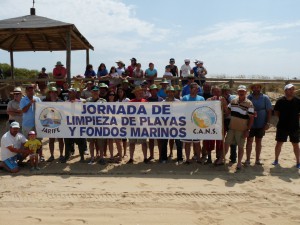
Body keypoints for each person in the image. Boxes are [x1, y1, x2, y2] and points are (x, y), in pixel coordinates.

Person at [218, 85, 254, 170]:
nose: (241, 92)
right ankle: (221, 159)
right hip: (232, 128)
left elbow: (251, 118)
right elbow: (227, 112)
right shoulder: (233, 101)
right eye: (240, 91)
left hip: (242, 129)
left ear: (246, 92)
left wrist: (248, 130)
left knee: (240, 147)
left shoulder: (249, 103)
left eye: (243, 91)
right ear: (237, 92)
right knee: (226, 144)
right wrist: (224, 104)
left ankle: (239, 163)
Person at [272, 84, 300, 169]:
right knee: (279, 143)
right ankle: (276, 160)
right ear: (285, 91)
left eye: (293, 89)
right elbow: (276, 112)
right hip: (282, 126)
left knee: (295, 144)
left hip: (294, 126)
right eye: (289, 89)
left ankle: (298, 162)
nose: (291, 91)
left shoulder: (298, 101)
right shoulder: (280, 101)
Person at [245, 83, 272, 165]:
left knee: (258, 141)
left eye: (258, 87)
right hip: (251, 123)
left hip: (261, 122)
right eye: (254, 87)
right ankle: (248, 159)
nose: (256, 89)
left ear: (260, 88)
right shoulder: (249, 97)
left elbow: (269, 111)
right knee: (249, 141)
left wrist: (267, 123)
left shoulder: (265, 98)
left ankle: (257, 159)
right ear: (252, 89)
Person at [202, 86, 228, 164]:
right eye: (215, 91)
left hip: (220, 123)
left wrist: (224, 105)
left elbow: (226, 112)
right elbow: (205, 110)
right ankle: (209, 157)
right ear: (212, 92)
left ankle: (218, 157)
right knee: (209, 140)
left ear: (220, 92)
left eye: (218, 91)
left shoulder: (223, 100)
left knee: (220, 141)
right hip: (210, 123)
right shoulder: (209, 100)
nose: (217, 93)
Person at [181, 82, 205, 164]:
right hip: (187, 123)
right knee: (187, 143)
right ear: (190, 89)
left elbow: (204, 110)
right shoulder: (184, 98)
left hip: (197, 123)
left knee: (197, 143)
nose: (196, 90)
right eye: (194, 88)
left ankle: (198, 158)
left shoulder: (201, 98)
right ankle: (187, 159)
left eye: (197, 88)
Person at [61, 88, 86, 163]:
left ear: (75, 93)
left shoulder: (80, 102)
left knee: (80, 142)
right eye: (69, 92)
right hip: (68, 125)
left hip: (78, 125)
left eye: (71, 92)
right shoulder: (65, 102)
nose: (70, 94)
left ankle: (82, 157)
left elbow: (83, 113)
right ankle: (66, 157)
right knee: (67, 142)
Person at [19, 84, 43, 161]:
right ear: (26, 92)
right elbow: (23, 110)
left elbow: (42, 110)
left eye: (32, 90)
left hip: (37, 124)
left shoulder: (38, 99)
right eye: (29, 90)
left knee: (38, 141)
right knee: (28, 142)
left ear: (33, 91)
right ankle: (30, 157)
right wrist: (30, 103)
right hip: (27, 125)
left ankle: (40, 156)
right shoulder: (23, 100)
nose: (30, 92)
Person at [85, 86, 107, 164]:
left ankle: (101, 157)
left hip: (100, 124)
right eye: (93, 91)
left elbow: (106, 111)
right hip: (90, 124)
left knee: (100, 142)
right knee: (91, 142)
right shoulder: (87, 101)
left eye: (96, 91)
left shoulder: (103, 101)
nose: (95, 92)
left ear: (98, 92)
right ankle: (92, 157)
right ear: (91, 92)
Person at [127, 86, 148, 164]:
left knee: (144, 142)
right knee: (131, 143)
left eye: (141, 92)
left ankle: (145, 158)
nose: (140, 93)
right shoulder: (130, 102)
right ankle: (131, 158)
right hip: (133, 125)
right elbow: (127, 113)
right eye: (138, 92)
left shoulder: (145, 101)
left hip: (142, 126)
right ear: (135, 93)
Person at [161, 86, 183, 164]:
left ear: (174, 93)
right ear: (167, 93)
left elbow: (182, 112)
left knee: (178, 142)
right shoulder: (163, 102)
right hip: (166, 125)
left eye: (172, 92)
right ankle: (164, 158)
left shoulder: (178, 102)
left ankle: (180, 158)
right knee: (164, 142)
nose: (170, 93)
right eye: (169, 92)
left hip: (176, 125)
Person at [45, 87, 65, 162]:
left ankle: (61, 155)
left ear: (57, 93)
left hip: (59, 123)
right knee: (51, 140)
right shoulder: (45, 102)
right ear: (49, 93)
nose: (53, 94)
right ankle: (52, 155)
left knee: (60, 140)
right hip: (50, 124)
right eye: (51, 92)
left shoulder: (61, 101)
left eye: (54, 92)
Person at [147, 84, 163, 161]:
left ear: (157, 91)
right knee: (151, 140)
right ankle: (151, 155)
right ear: (150, 91)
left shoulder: (161, 100)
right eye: (152, 90)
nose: (153, 91)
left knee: (159, 140)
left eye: (155, 90)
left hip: (159, 122)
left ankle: (160, 156)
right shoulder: (147, 100)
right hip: (150, 122)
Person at [221, 84, 237, 163]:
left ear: (229, 91)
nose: (225, 92)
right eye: (223, 90)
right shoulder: (220, 98)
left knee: (233, 139)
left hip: (231, 119)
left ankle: (233, 157)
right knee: (222, 138)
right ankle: (220, 156)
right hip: (223, 120)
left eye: (226, 90)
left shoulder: (233, 97)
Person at [107, 90, 123, 163]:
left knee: (118, 141)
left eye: (113, 94)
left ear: (114, 96)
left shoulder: (117, 103)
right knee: (110, 141)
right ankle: (111, 156)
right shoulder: (105, 104)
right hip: (108, 124)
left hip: (116, 124)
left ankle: (120, 156)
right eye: (110, 94)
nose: (111, 96)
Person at [116, 87, 130, 157]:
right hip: (118, 122)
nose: (120, 93)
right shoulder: (116, 101)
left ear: (123, 92)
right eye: (118, 92)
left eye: (121, 92)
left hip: (125, 121)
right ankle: (119, 152)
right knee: (118, 139)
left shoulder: (127, 100)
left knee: (124, 138)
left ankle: (125, 152)